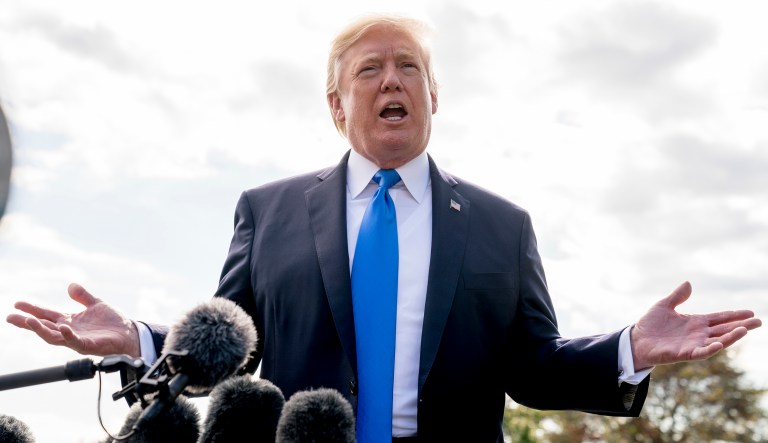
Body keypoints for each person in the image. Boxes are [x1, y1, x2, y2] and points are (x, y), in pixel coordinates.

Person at [6, 13, 762, 443]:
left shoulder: (503, 225)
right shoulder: (267, 211)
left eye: (408, 68)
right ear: (336, 106)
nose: (392, 79)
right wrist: (138, 340)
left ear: (434, 96)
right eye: (369, 69)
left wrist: (630, 348)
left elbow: (533, 367)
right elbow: (233, 347)